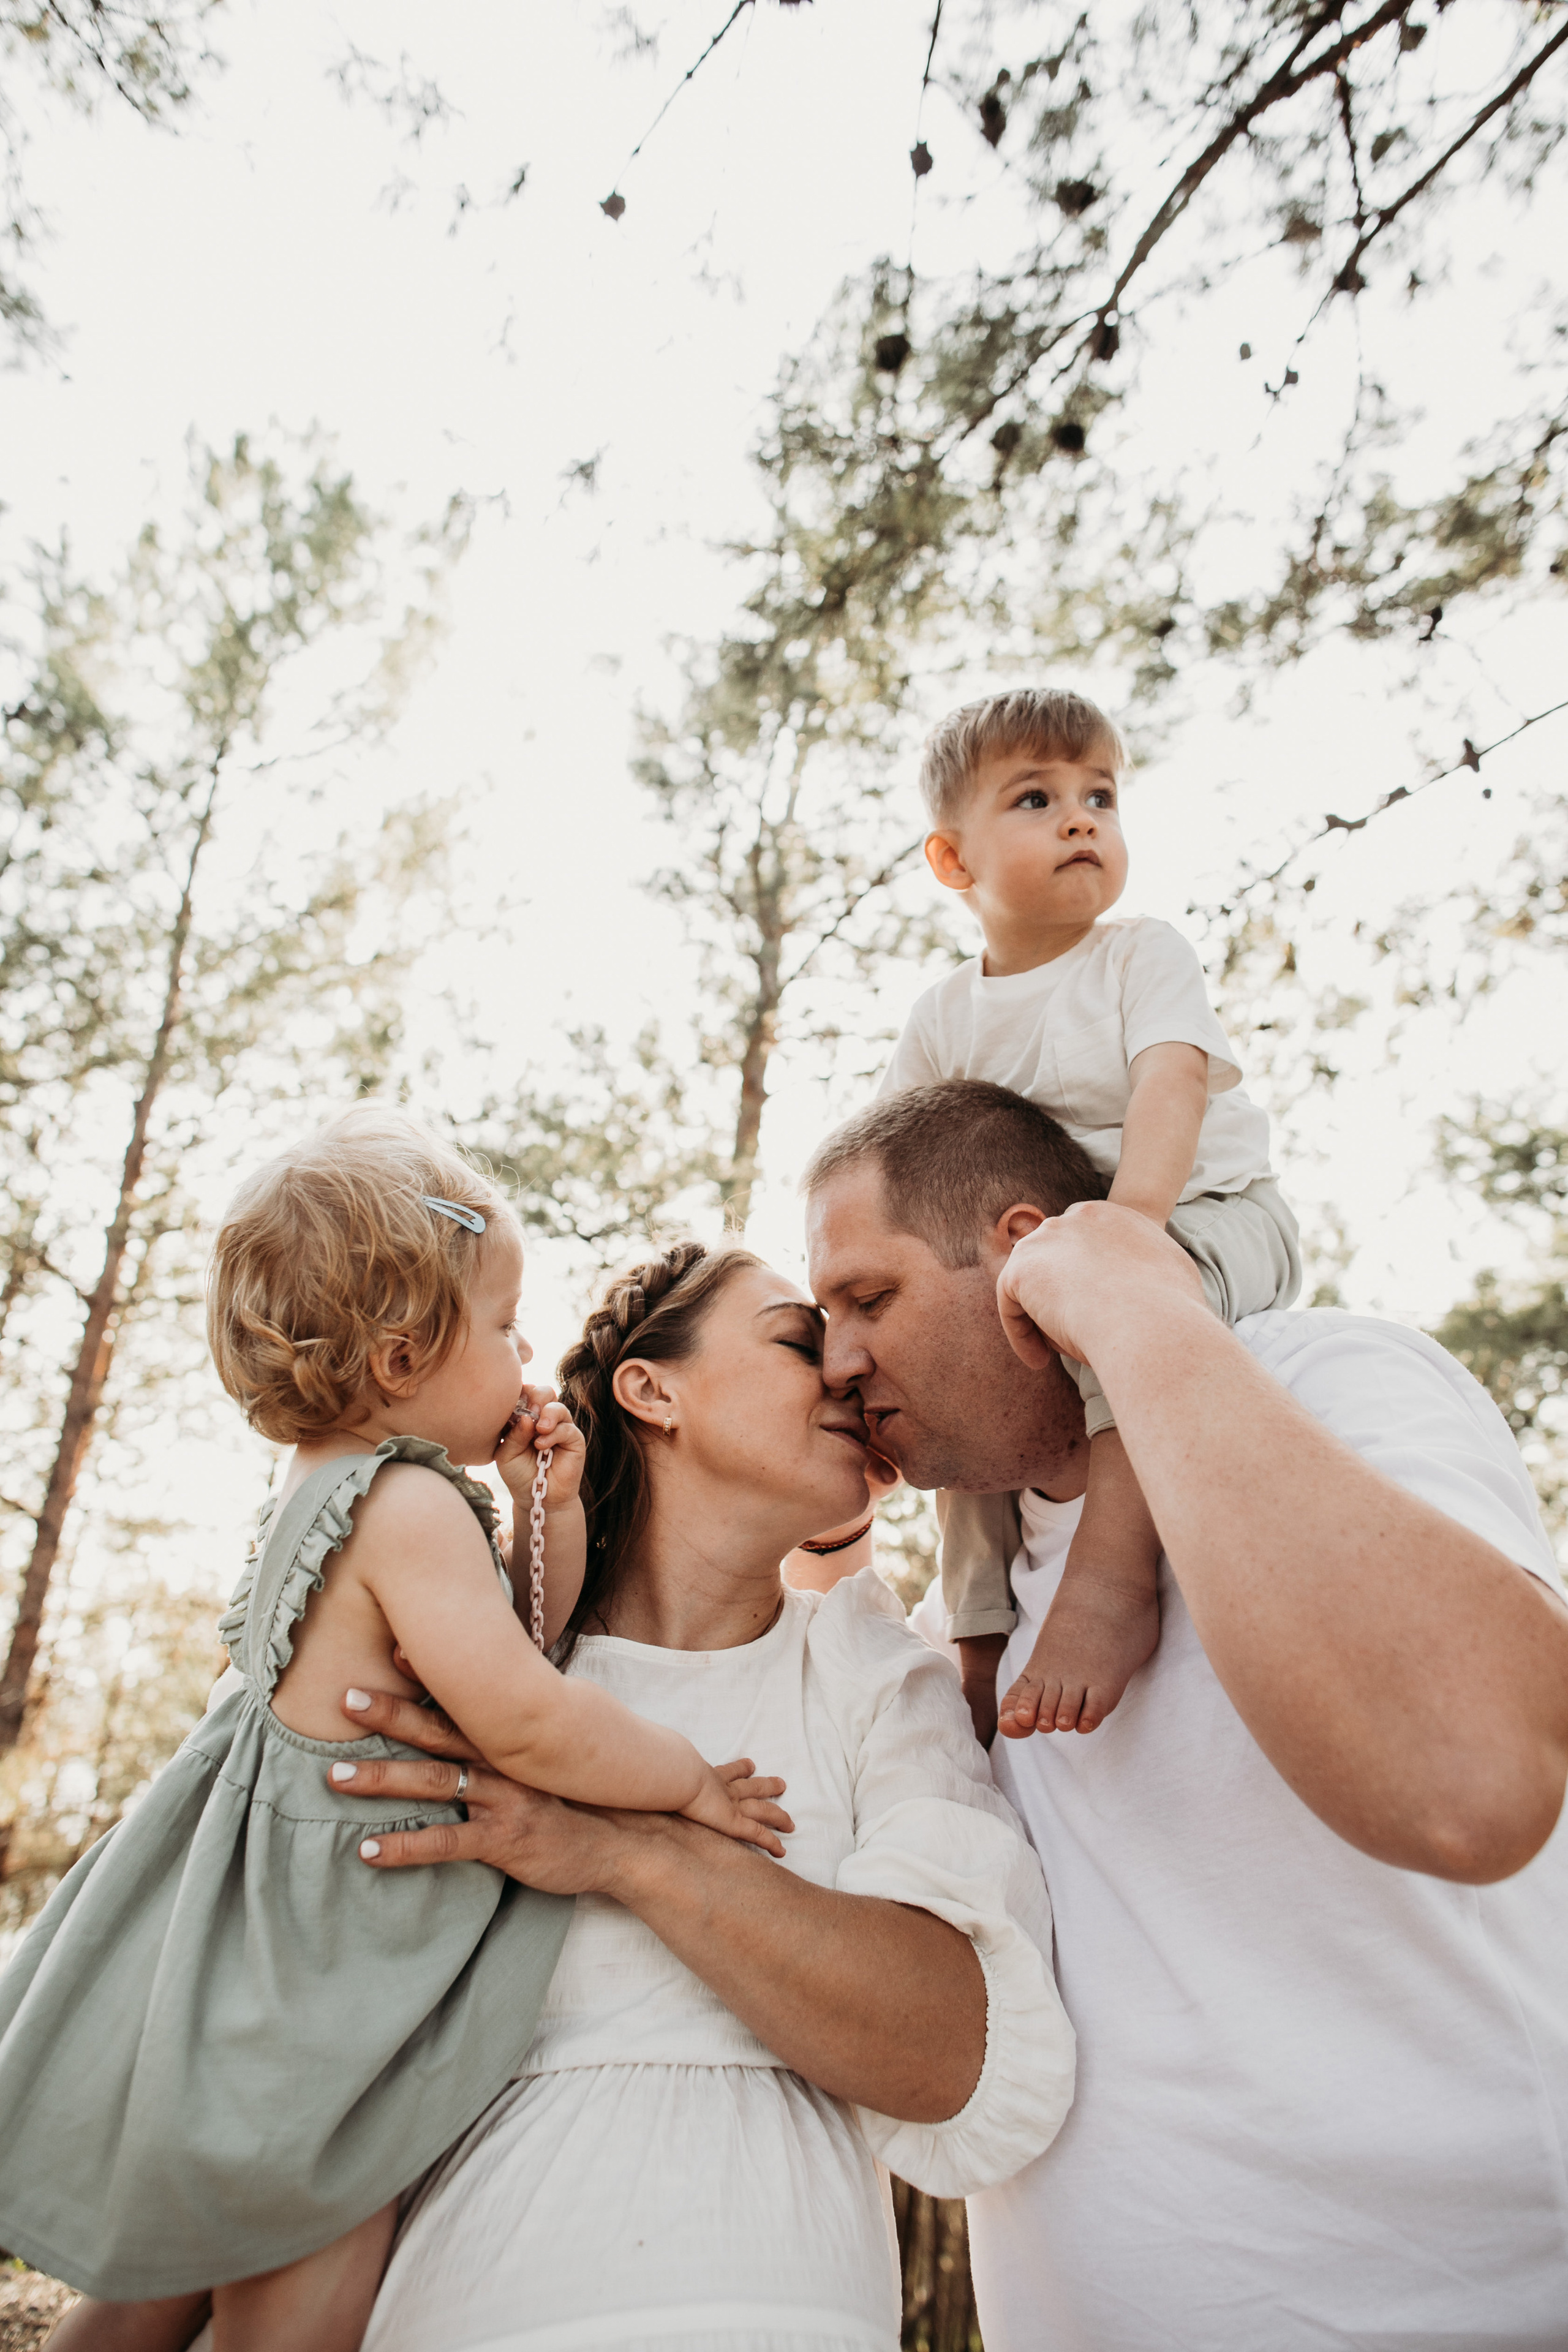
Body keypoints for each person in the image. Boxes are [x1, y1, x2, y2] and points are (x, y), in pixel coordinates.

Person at [804, 1077, 1568, 2352]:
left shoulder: (1318, 1377)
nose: (837, 1361)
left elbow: (1467, 1780)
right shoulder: (968, 1633)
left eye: (865, 1299)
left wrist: (1128, 1301)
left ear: (1020, 1249)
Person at [0, 1112, 784, 2352]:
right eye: (503, 1323)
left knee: (171, 2273)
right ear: (408, 1350)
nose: (525, 1350)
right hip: (326, 1963)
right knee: (314, 2256)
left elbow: (524, 1628)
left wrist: (544, 1506)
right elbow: (527, 1709)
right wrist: (682, 1780)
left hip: (248, 1945)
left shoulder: (323, 1484)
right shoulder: (411, 1502)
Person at [323, 1238, 1075, 2352]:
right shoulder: (473, 1658)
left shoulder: (873, 1670)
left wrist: (631, 1851)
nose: (848, 1373)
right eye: (797, 1340)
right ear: (650, 1388)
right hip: (471, 2305)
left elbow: (953, 2048)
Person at [881, 687, 1300, 1745]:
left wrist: (1132, 1227)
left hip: (1206, 1212)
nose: (1082, 819)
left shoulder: (1138, 955)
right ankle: (976, 1635)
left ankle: (1112, 1582)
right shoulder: (943, 1017)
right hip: (1068, 1253)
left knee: (1117, 1323)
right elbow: (896, 1163)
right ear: (954, 862)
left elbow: (1173, 1084)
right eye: (1036, 798)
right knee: (965, 1375)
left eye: (1100, 796)